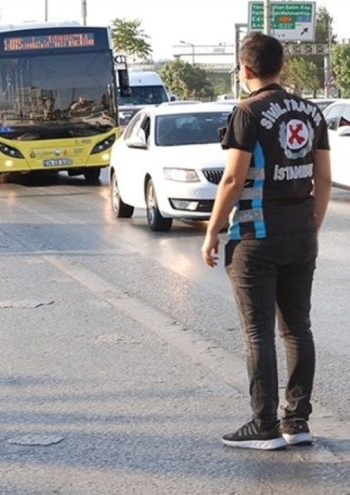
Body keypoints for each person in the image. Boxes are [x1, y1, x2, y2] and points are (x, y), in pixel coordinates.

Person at [201, 32, 331, 451]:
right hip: (301, 237)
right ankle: (298, 421)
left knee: (258, 334)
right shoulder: (311, 112)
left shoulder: (247, 111)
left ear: (246, 70)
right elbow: (324, 178)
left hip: (256, 238)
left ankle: (264, 425)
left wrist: (212, 232)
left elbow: (234, 179)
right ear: (281, 66)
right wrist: (311, 226)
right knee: (297, 330)